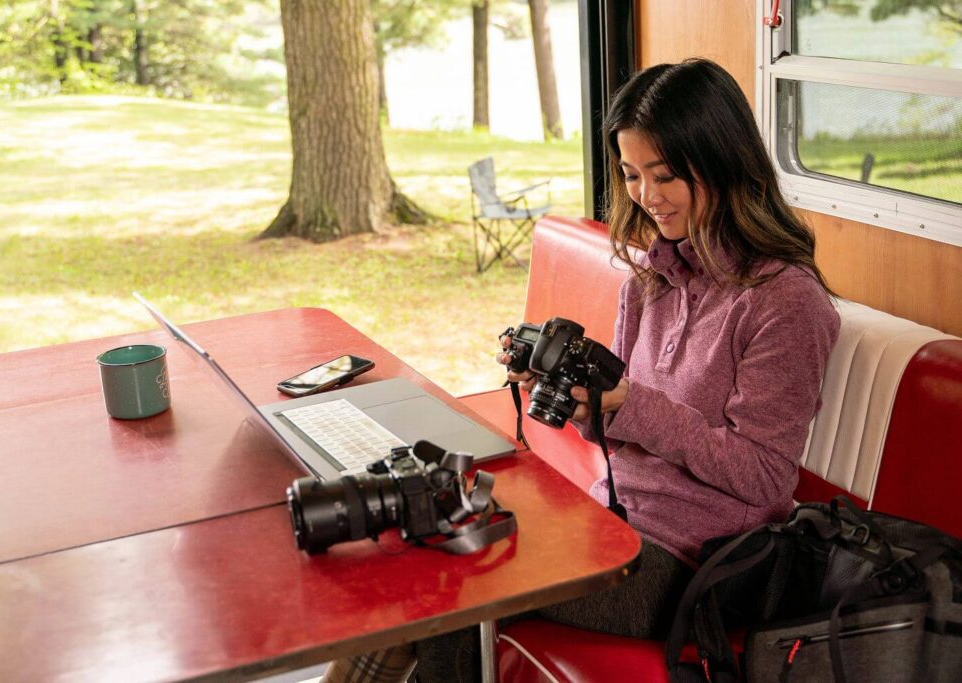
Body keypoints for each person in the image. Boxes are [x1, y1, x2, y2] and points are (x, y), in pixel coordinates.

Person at [321, 57, 841, 683]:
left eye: (666, 175)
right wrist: (575, 403)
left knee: (456, 579)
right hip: (609, 521)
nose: (646, 198)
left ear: (724, 163)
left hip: (695, 569)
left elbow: (765, 479)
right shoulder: (648, 284)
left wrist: (634, 406)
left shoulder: (785, 302)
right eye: (630, 175)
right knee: (426, 540)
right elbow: (615, 437)